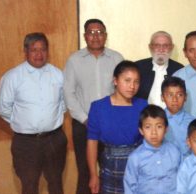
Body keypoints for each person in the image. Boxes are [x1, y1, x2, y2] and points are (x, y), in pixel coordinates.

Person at [0, 32, 67, 194]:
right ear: (26, 51)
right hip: (25, 144)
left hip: (54, 140)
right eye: (34, 49)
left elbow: (64, 104)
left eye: (43, 49)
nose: (39, 54)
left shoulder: (58, 75)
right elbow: (3, 108)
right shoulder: (12, 77)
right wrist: (23, 122)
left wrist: (48, 120)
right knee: (29, 186)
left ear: (48, 51)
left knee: (56, 183)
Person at [63, 18, 124, 194]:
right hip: (84, 126)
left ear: (105, 35)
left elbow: (123, 90)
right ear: (85, 36)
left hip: (111, 126)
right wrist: (84, 119)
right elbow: (69, 93)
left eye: (99, 32)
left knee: (111, 171)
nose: (95, 36)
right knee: (85, 173)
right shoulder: (74, 60)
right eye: (91, 32)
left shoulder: (116, 58)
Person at [86, 61, 147, 194]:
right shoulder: (98, 107)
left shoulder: (143, 106)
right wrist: (93, 175)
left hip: (137, 166)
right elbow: (92, 142)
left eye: (136, 82)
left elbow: (148, 142)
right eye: (127, 80)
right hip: (109, 166)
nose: (132, 86)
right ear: (115, 81)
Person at [124, 105, 181, 194]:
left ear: (166, 129)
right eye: (148, 127)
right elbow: (130, 187)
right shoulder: (135, 157)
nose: (153, 132)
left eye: (159, 127)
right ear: (141, 130)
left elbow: (182, 180)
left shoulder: (174, 152)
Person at [136, 31, 183, 108]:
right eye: (157, 45)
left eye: (165, 46)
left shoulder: (179, 69)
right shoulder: (138, 67)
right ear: (150, 47)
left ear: (172, 47)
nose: (161, 49)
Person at [161, 76, 194, 158]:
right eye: (170, 95)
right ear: (162, 97)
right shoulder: (157, 120)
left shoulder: (192, 122)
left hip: (185, 167)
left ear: (185, 97)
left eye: (179, 95)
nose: (174, 99)